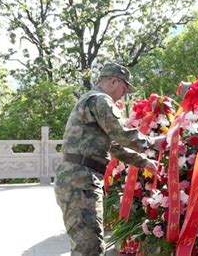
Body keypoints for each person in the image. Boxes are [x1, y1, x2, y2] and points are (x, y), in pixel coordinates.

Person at [54, 63, 164, 256]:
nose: (124, 93)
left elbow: (113, 146)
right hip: (81, 180)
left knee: (86, 245)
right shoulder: (100, 100)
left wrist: (143, 162)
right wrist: (153, 142)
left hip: (77, 178)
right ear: (114, 81)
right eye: (124, 87)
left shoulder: (90, 100)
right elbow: (121, 135)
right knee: (89, 248)